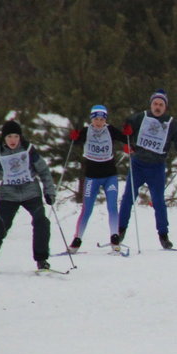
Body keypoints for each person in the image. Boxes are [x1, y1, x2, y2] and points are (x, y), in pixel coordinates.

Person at [0, 120, 57, 272]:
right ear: (4, 138)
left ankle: (42, 260)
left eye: (16, 136)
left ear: (20, 138)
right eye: (9, 136)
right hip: (9, 195)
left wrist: (49, 192)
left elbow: (44, 171)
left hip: (31, 192)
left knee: (41, 222)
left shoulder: (28, 150)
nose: (13, 140)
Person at [118, 89, 177, 249]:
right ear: (151, 104)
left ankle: (163, 235)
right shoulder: (141, 117)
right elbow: (126, 126)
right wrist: (126, 137)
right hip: (137, 164)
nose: (157, 107)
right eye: (155, 104)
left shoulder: (172, 123)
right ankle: (120, 230)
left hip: (156, 167)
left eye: (161, 105)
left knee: (158, 202)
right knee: (128, 198)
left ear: (165, 107)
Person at [67, 105, 129, 253]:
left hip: (110, 176)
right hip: (92, 177)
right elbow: (75, 141)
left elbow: (124, 137)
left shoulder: (110, 130)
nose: (99, 122)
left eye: (102, 119)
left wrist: (128, 135)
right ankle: (77, 240)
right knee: (86, 209)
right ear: (92, 119)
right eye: (96, 119)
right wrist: (74, 136)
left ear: (105, 120)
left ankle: (115, 238)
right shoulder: (86, 131)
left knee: (112, 206)